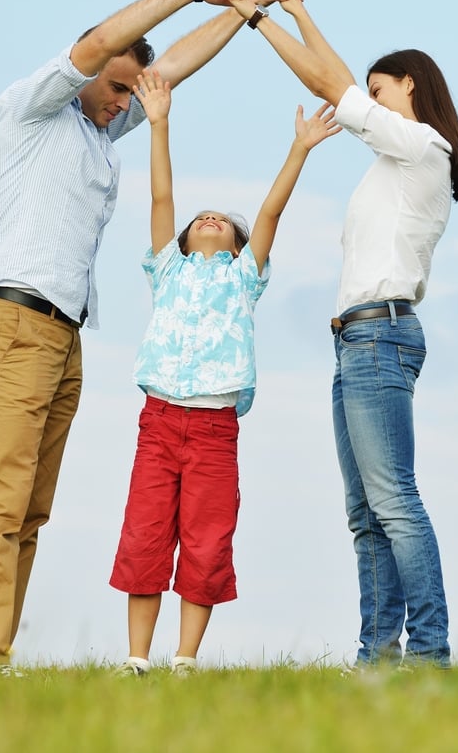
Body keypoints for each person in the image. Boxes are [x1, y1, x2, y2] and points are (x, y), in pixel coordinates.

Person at [0, 0, 284, 670]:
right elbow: (106, 38)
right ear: (89, 71)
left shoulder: (101, 130)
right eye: (116, 87)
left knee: (29, 513)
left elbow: (173, 71)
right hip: (14, 323)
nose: (124, 103)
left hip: (62, 336)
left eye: (132, 94)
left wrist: (246, 12)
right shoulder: (35, 108)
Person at [215, 0, 458, 668]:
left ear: (411, 88)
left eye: (382, 87)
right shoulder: (393, 162)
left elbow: (332, 85)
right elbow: (339, 81)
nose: (371, 98)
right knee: (366, 515)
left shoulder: (423, 147)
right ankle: (377, 655)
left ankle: (428, 653)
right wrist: (297, 11)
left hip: (380, 335)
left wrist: (261, 17)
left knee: (394, 502)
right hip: (355, 341)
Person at [109, 68, 341, 676]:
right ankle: (137, 658)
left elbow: (270, 212)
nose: (210, 218)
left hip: (213, 431)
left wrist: (298, 148)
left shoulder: (243, 278)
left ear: (239, 246)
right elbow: (162, 198)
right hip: (159, 424)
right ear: (183, 241)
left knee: (207, 542)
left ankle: (184, 659)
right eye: (201, 218)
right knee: (145, 535)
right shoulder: (170, 271)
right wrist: (158, 124)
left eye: (223, 220)